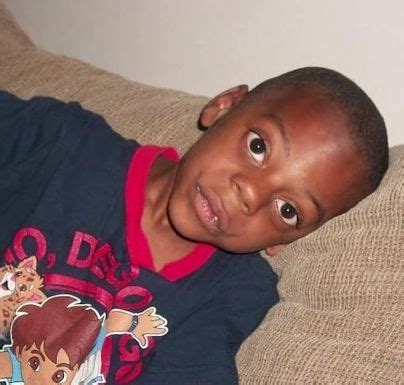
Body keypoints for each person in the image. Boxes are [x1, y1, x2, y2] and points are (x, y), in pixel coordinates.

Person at [0, 67, 388, 384]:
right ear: (223, 107)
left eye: (288, 210)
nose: (250, 194)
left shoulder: (229, 296)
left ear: (283, 242)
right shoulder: (64, 143)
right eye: (258, 147)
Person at [0, 294, 167, 385]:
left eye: (58, 377)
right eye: (34, 363)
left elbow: (110, 323)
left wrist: (136, 323)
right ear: (20, 354)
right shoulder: (12, 362)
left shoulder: (83, 353)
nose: (41, 382)